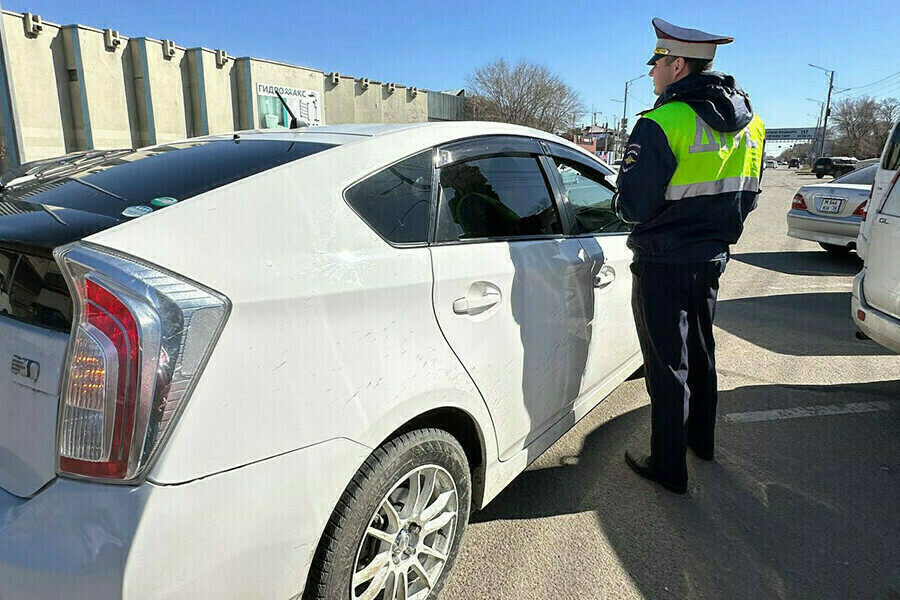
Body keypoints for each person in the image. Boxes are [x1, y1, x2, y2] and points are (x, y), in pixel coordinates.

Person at [611, 18, 765, 494]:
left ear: (677, 65)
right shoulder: (753, 125)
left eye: (656, 63)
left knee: (666, 363)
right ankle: (702, 443)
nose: (653, 71)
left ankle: (668, 468)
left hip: (662, 260)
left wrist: (626, 205)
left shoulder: (660, 122)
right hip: (713, 258)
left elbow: (633, 204)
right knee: (701, 354)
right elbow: (751, 194)